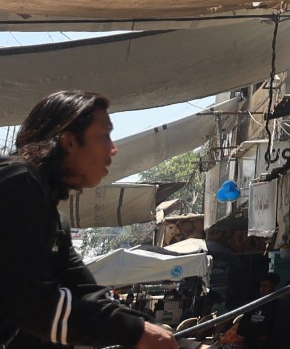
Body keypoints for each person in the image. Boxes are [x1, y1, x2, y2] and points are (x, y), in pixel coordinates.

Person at [0, 91, 174, 349]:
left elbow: (86, 292)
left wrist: (160, 335)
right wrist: (135, 332)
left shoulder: (53, 220)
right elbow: (31, 304)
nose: (113, 149)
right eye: (104, 136)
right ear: (69, 142)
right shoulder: (17, 183)